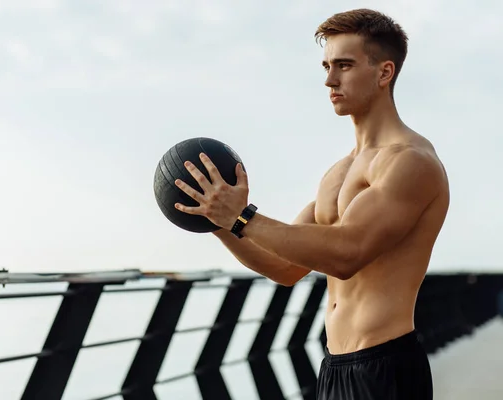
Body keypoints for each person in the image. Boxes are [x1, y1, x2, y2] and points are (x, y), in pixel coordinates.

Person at [173, 7, 449, 400]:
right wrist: (217, 219)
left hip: (386, 368)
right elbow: (285, 267)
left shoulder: (410, 162)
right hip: (334, 367)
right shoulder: (338, 173)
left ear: (384, 72)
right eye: (326, 66)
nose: (329, 80)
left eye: (344, 66)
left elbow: (348, 254)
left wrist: (242, 216)